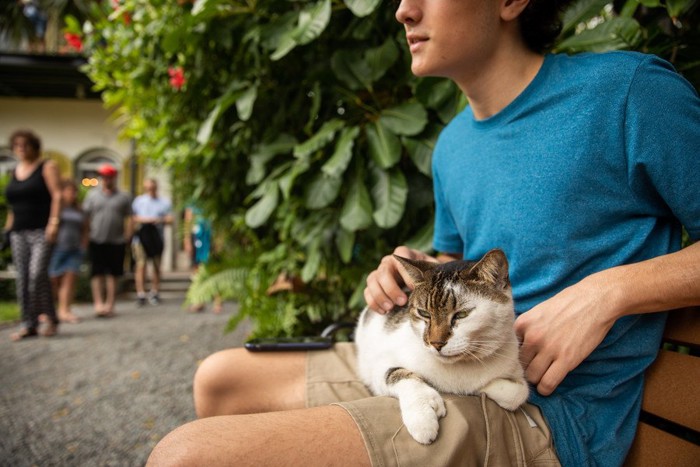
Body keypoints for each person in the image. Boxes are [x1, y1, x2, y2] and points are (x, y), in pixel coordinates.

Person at [148, 1, 700, 466]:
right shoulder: (454, 144)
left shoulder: (628, 93)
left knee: (188, 457)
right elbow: (455, 265)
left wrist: (609, 292)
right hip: (437, 357)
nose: (402, 10)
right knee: (220, 379)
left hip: (546, 411)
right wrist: (409, 273)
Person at [4, 129, 61, 341]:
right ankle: (31, 323)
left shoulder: (47, 166)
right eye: (17, 145)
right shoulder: (14, 171)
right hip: (18, 231)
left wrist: (54, 223)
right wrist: (7, 231)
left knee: (36, 274)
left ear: (34, 146)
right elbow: (13, 206)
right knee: (25, 278)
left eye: (25, 144)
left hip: (41, 230)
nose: (21, 148)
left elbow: (57, 196)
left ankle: (41, 318)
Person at [82, 163, 132, 318]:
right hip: (96, 240)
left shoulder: (124, 196)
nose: (106, 179)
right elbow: (86, 217)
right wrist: (85, 236)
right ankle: (98, 304)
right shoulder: (92, 195)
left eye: (109, 177)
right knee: (96, 273)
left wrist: (128, 236)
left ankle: (110, 304)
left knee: (114, 274)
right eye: (104, 176)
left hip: (117, 241)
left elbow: (130, 217)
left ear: (114, 178)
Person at [48, 178, 89, 324]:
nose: (73, 194)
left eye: (75, 191)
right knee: (53, 280)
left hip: (74, 249)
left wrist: (83, 245)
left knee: (69, 281)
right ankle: (50, 311)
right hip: (57, 248)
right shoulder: (56, 208)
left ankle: (65, 310)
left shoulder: (79, 210)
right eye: (69, 191)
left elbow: (85, 229)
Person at [131, 178, 172, 306]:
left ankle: (155, 292)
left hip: (156, 236)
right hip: (141, 237)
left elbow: (170, 219)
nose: (150, 190)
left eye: (152, 187)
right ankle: (141, 293)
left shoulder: (164, 202)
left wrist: (158, 220)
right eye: (148, 188)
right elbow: (133, 217)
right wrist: (145, 220)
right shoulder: (139, 201)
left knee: (156, 265)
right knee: (141, 264)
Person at [183, 203, 222, 313]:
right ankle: (199, 301)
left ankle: (217, 301)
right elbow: (187, 222)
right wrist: (187, 241)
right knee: (197, 270)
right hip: (197, 239)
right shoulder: (191, 203)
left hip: (209, 238)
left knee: (213, 270)